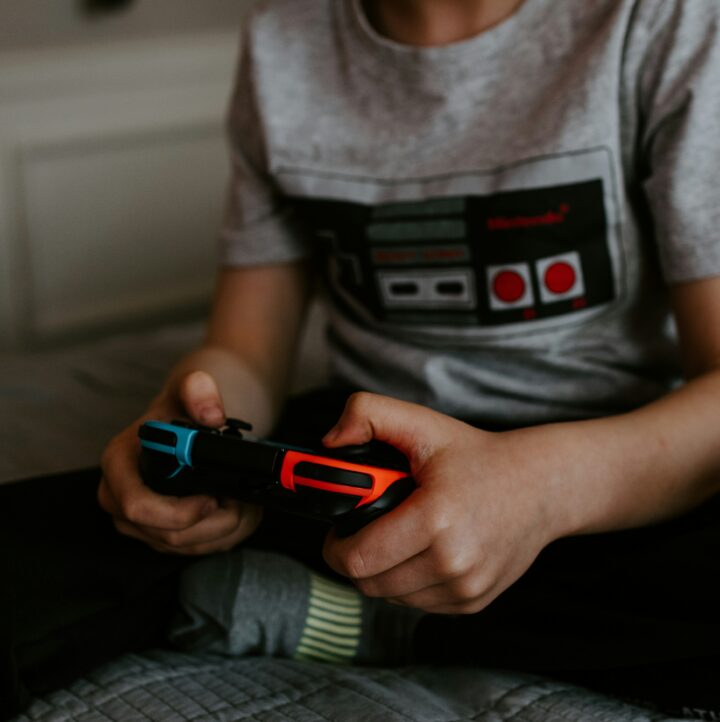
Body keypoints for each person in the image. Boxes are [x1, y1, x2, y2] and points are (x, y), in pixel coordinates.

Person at [61, 0, 720, 717]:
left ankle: (384, 622)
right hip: (365, 461)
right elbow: (247, 347)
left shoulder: (665, 21)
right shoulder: (283, 40)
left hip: (608, 472)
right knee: (71, 529)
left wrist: (541, 490)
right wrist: (198, 429)